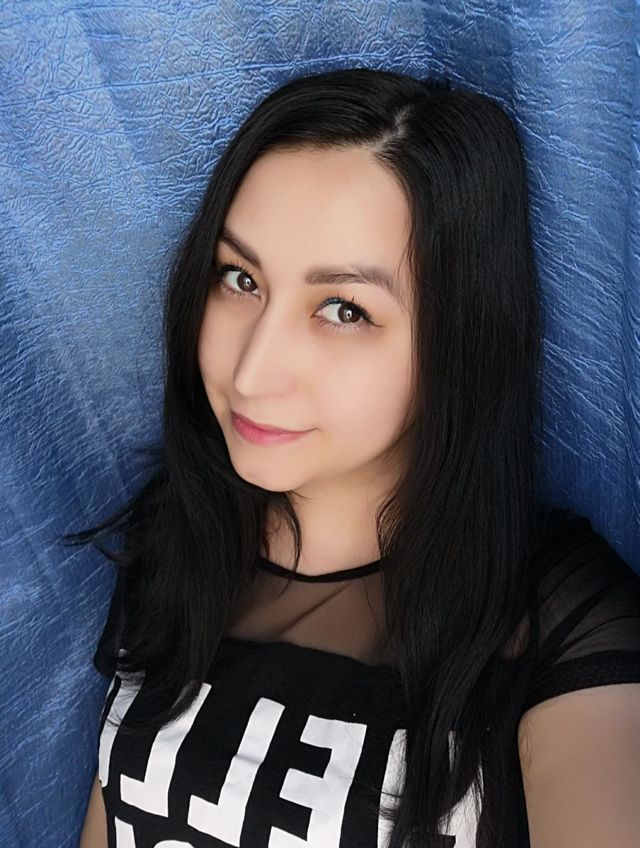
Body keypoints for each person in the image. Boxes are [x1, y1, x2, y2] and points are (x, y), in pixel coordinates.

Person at [66, 67, 640, 848]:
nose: (251, 372)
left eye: (343, 309)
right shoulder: (179, 540)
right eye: (240, 278)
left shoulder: (559, 624)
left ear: (459, 340)